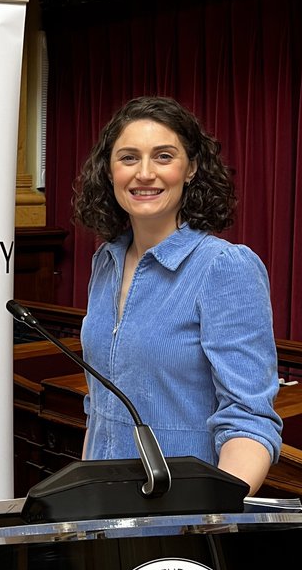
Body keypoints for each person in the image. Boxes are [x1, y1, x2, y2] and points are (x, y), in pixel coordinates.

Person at [72, 95, 281, 495]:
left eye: (164, 156)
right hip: (103, 508)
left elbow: (250, 419)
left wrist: (209, 510)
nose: (144, 174)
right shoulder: (107, 260)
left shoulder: (224, 267)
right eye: (129, 158)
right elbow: (100, 406)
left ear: (191, 168)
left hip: (181, 513)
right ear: (109, 170)